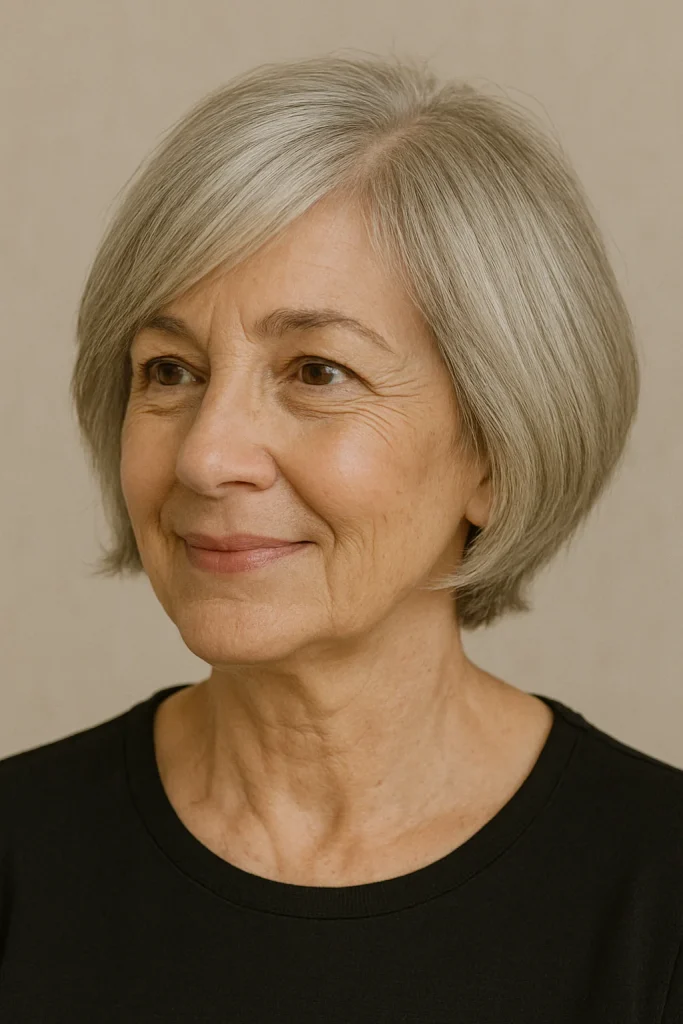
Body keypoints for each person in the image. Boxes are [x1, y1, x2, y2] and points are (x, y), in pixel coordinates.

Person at [1, 51, 681, 1023]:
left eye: (316, 372)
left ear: (496, 451)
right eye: (169, 370)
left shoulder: (654, 896)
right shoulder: (21, 855)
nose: (206, 455)